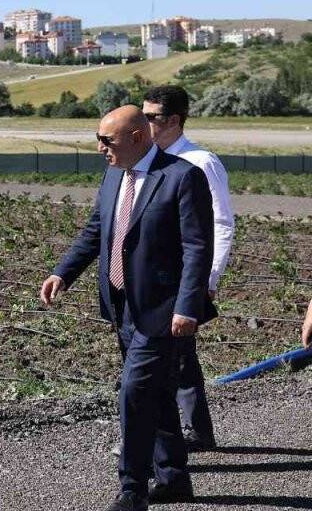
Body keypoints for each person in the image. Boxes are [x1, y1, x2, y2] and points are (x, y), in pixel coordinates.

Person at [40, 105, 214, 511]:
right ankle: (173, 479)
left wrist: (187, 306)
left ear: (137, 137)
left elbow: (197, 247)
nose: (100, 148)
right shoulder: (115, 174)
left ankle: (132, 489)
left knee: (134, 394)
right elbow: (96, 230)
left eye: (107, 141)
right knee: (156, 394)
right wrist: (63, 273)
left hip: (163, 311)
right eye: (98, 140)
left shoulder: (182, 176)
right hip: (122, 307)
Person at [143, 85, 232, 452]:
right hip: (156, 276)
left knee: (165, 358)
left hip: (185, 278)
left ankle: (157, 440)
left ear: (174, 120)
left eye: (152, 117)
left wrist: (207, 280)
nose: (143, 124)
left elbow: (221, 224)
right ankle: (196, 431)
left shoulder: (201, 162)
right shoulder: (148, 160)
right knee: (178, 356)